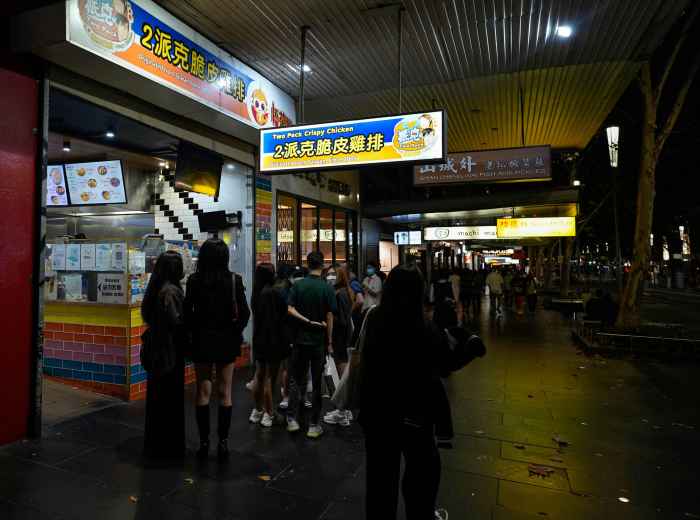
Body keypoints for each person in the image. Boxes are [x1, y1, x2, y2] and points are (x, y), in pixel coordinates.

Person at [359, 265, 486, 520]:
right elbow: (446, 365)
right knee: (421, 475)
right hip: (415, 416)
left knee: (380, 479)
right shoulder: (425, 328)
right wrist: (470, 347)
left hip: (378, 413)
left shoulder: (374, 319)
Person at [184, 239, 251, 461]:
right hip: (226, 341)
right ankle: (223, 443)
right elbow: (244, 313)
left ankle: (204, 443)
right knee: (225, 392)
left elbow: (187, 313)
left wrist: (196, 330)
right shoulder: (234, 280)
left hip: (202, 340)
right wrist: (234, 331)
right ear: (225, 258)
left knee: (202, 391)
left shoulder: (194, 281)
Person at [141, 251, 186, 460]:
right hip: (169, 351)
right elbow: (177, 323)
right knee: (170, 399)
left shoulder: (156, 288)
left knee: (156, 398)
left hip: (156, 350)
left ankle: (155, 442)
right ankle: (168, 445)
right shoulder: (171, 291)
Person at [286, 251, 336, 438]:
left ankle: (292, 420)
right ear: (322, 266)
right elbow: (330, 316)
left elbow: (289, 309)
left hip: (299, 341)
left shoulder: (298, 286)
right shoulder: (326, 288)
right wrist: (329, 341)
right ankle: (314, 425)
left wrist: (306, 321)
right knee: (316, 384)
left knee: (295, 380)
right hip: (318, 343)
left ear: (307, 265)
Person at [249, 263, 289, 428]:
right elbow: (282, 316)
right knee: (270, 379)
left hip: (259, 339)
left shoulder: (255, 294)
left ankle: (257, 411)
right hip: (274, 340)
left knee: (259, 376)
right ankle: (269, 413)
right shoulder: (274, 293)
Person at [324, 264, 355, 427]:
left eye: (332, 274)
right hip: (342, 336)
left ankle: (343, 409)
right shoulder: (344, 292)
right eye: (328, 274)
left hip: (339, 337)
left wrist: (329, 321)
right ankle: (344, 408)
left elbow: (341, 318)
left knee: (341, 372)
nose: (329, 277)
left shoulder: (340, 293)